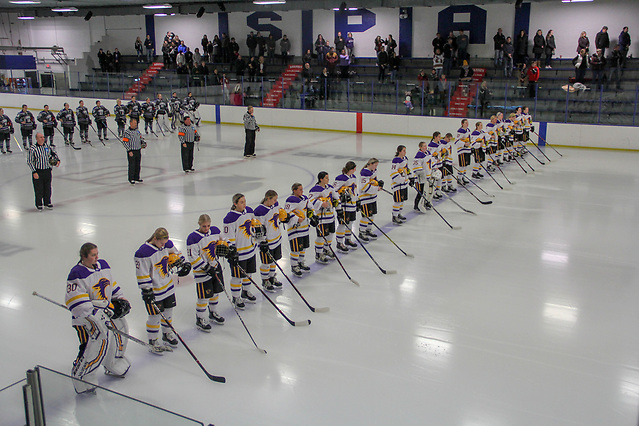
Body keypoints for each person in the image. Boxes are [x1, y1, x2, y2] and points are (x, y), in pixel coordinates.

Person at [66, 242, 132, 394]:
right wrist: (95, 314)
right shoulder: (77, 274)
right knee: (89, 347)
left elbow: (111, 285)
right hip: (86, 321)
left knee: (115, 338)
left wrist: (120, 299)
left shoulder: (103, 265)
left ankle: (112, 363)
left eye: (97, 254)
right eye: (93, 255)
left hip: (105, 314)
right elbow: (76, 302)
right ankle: (81, 375)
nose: (97, 257)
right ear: (84, 257)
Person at [135, 227, 189, 350]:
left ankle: (166, 333)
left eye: (165, 243)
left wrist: (184, 263)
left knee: (168, 312)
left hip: (168, 286)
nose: (163, 246)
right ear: (155, 239)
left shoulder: (166, 244)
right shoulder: (143, 253)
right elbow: (141, 273)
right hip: (155, 290)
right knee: (154, 317)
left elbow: (176, 253)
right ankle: (153, 340)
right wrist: (146, 289)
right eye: (161, 243)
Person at [186, 214, 227, 332]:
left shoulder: (215, 231)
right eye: (204, 226)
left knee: (215, 293)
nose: (206, 228)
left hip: (215, 266)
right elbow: (192, 256)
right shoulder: (193, 238)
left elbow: (223, 239)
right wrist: (205, 267)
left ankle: (213, 312)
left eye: (208, 225)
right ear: (199, 224)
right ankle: (200, 318)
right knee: (204, 297)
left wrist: (229, 248)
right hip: (202, 272)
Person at [222, 193, 258, 309]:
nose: (244, 204)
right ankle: (236, 297)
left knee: (249, 273)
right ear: (235, 204)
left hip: (250, 249)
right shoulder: (230, 218)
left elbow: (254, 223)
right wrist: (231, 250)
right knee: (237, 276)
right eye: (241, 202)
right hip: (239, 253)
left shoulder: (249, 211)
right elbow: (228, 237)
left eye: (245, 201)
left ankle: (246, 292)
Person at [253, 190, 286, 292]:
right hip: (267, 241)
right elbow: (258, 228)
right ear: (268, 198)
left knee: (274, 260)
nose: (276, 201)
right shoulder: (259, 211)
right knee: (266, 262)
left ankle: (272, 277)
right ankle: (265, 280)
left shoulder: (275, 205)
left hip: (276, 238)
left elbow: (280, 215)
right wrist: (262, 241)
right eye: (274, 199)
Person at [309, 171, 338, 263]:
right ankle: (318, 253)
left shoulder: (330, 188)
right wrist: (321, 203)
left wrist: (337, 204)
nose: (328, 179)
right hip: (321, 218)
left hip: (330, 216)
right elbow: (310, 201)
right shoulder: (315, 189)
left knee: (331, 233)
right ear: (321, 179)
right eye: (326, 178)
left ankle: (326, 249)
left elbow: (336, 197)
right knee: (321, 236)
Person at [283, 183, 311, 276]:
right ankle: (294, 265)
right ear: (294, 190)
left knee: (303, 247)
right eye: (300, 189)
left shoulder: (305, 198)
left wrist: (312, 214)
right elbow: (286, 213)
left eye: (302, 189)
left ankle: (300, 262)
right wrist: (296, 218)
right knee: (296, 249)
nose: (302, 191)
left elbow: (309, 207)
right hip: (295, 229)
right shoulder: (290, 200)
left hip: (304, 228)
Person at [27, 133, 59, 211]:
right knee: (39, 188)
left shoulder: (47, 147)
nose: (42, 138)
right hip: (38, 171)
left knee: (48, 187)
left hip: (47, 170)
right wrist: (34, 172)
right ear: (37, 139)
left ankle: (47, 202)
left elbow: (54, 154)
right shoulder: (33, 149)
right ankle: (39, 204)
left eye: (43, 137)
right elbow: (30, 161)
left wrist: (57, 160)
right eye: (40, 137)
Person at [333, 161, 358, 253]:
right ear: (351, 169)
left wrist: (357, 200)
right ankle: (339, 242)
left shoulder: (353, 177)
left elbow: (354, 190)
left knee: (350, 222)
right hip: (345, 206)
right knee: (343, 223)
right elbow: (334, 190)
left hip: (352, 204)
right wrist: (341, 195)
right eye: (354, 168)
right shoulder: (341, 178)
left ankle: (348, 239)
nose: (355, 170)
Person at [358, 158, 383, 242]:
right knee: (366, 216)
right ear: (370, 164)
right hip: (365, 198)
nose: (376, 167)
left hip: (372, 197)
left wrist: (378, 184)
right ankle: (362, 231)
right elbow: (364, 187)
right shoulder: (365, 172)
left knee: (372, 215)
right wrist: (376, 188)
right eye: (375, 165)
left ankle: (368, 229)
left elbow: (374, 181)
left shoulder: (373, 171)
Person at [390, 145, 410, 225]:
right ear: (399, 151)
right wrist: (401, 179)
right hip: (398, 184)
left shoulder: (405, 159)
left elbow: (406, 169)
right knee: (397, 201)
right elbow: (393, 172)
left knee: (402, 200)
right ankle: (394, 216)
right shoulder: (396, 160)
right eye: (404, 150)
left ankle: (399, 213)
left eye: (405, 150)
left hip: (404, 184)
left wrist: (410, 177)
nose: (405, 152)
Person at [121, 119, 144, 184]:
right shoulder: (127, 132)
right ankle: (131, 178)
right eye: (134, 123)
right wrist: (129, 150)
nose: (135, 124)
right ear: (130, 123)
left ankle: (137, 177)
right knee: (132, 165)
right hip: (132, 151)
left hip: (138, 150)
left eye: (136, 123)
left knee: (137, 164)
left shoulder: (137, 131)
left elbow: (140, 138)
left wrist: (142, 143)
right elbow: (125, 142)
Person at [411, 141, 431, 212]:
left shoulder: (428, 153)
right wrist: (422, 174)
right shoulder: (419, 155)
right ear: (420, 147)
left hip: (428, 175)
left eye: (426, 146)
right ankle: (416, 205)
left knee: (428, 191)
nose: (426, 147)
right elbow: (416, 166)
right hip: (421, 177)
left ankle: (426, 203)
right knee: (421, 191)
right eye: (424, 146)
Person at [455, 119, 472, 184]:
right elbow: (457, 141)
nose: (467, 124)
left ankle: (463, 177)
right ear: (462, 124)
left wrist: (469, 143)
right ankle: (459, 178)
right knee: (462, 165)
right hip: (461, 151)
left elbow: (469, 139)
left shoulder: (468, 130)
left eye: (467, 123)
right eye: (465, 123)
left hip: (467, 150)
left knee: (466, 165)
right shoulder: (460, 131)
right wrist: (464, 144)